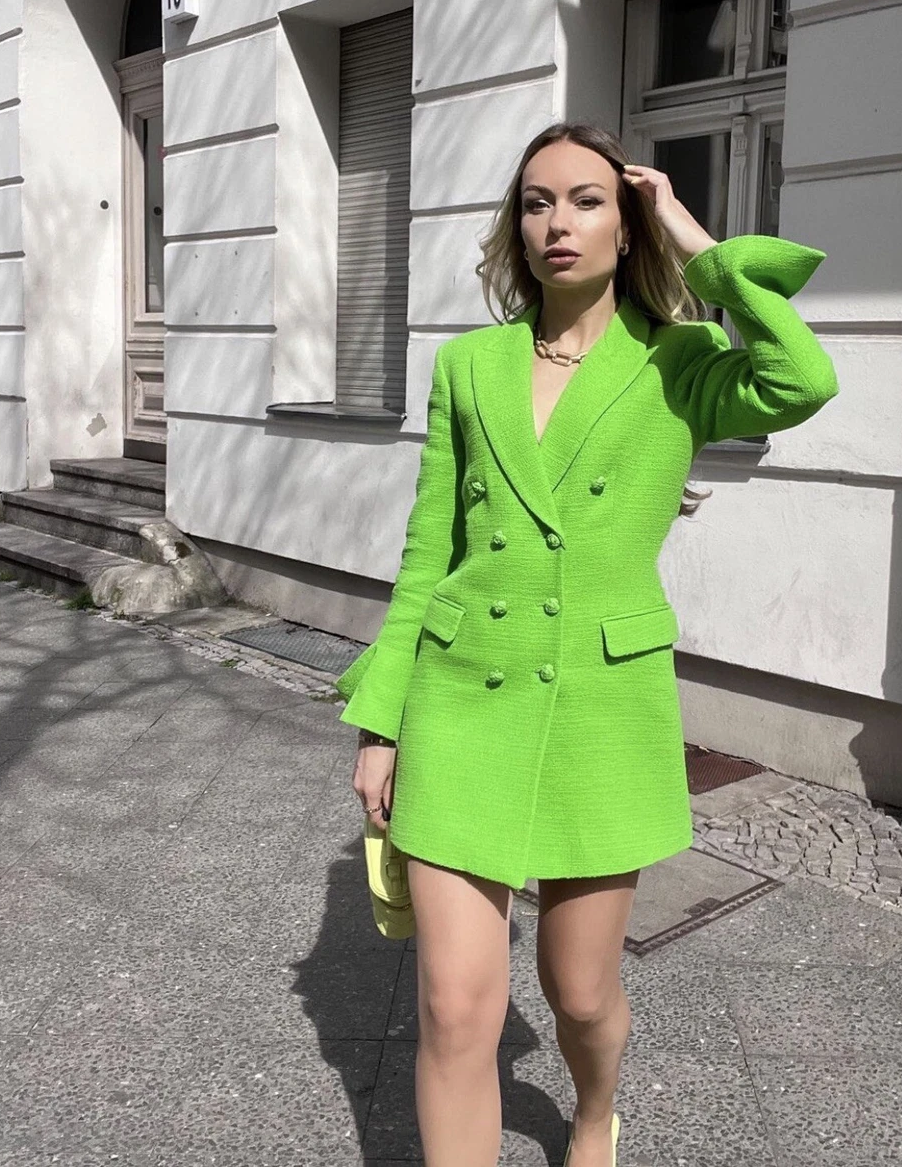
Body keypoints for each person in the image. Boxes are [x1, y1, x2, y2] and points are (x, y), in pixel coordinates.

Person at [336, 121, 839, 1167]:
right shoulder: (469, 366)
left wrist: (698, 246)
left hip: (602, 712)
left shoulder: (681, 360)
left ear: (628, 220)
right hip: (462, 699)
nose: (556, 221)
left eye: (585, 199)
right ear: (513, 229)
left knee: (579, 994)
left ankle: (595, 1107)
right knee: (453, 1009)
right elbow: (430, 550)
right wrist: (381, 719)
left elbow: (802, 382)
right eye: (534, 202)